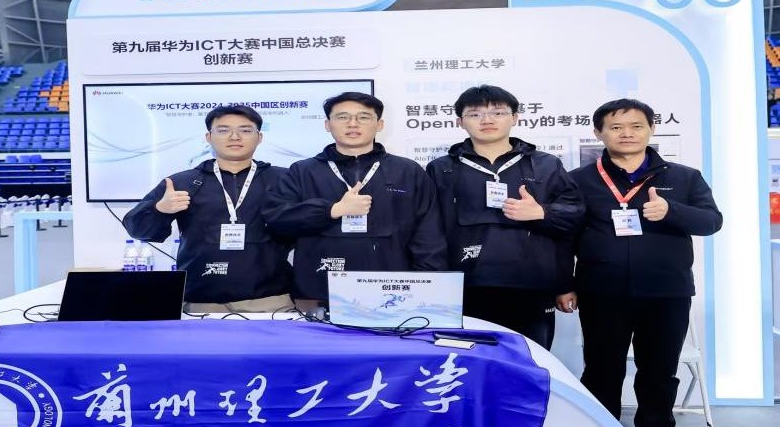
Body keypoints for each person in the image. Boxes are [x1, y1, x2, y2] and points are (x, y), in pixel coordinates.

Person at [558, 98, 722, 427]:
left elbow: (712, 221)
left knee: (659, 369)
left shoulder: (684, 177)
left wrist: (671, 211)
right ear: (599, 133)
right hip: (602, 291)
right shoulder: (579, 180)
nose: (627, 133)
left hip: (666, 291)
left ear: (651, 129)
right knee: (602, 368)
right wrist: (564, 283)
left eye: (636, 126)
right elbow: (565, 236)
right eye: (616, 127)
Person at [426, 85, 584, 349]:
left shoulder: (546, 165)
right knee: (468, 361)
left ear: (515, 118)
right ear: (460, 122)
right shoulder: (441, 169)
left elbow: (575, 216)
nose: (487, 120)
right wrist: (434, 282)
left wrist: (542, 212)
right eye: (475, 114)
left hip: (531, 285)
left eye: (498, 112)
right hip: (464, 286)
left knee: (528, 359)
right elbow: (428, 230)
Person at [263, 91, 447, 307]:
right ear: (327, 124)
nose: (353, 124)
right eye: (342, 117)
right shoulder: (303, 171)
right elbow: (278, 220)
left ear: (379, 125)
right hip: (319, 290)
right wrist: (331, 210)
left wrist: (428, 285)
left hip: (393, 291)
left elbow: (428, 234)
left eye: (363, 117)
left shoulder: (407, 171)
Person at [123, 105, 293, 313]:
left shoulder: (285, 179)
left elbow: (308, 228)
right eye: (223, 130)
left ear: (259, 137)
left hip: (270, 301)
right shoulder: (182, 182)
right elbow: (138, 229)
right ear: (208, 137)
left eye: (245, 130)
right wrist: (160, 209)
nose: (234, 136)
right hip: (200, 301)